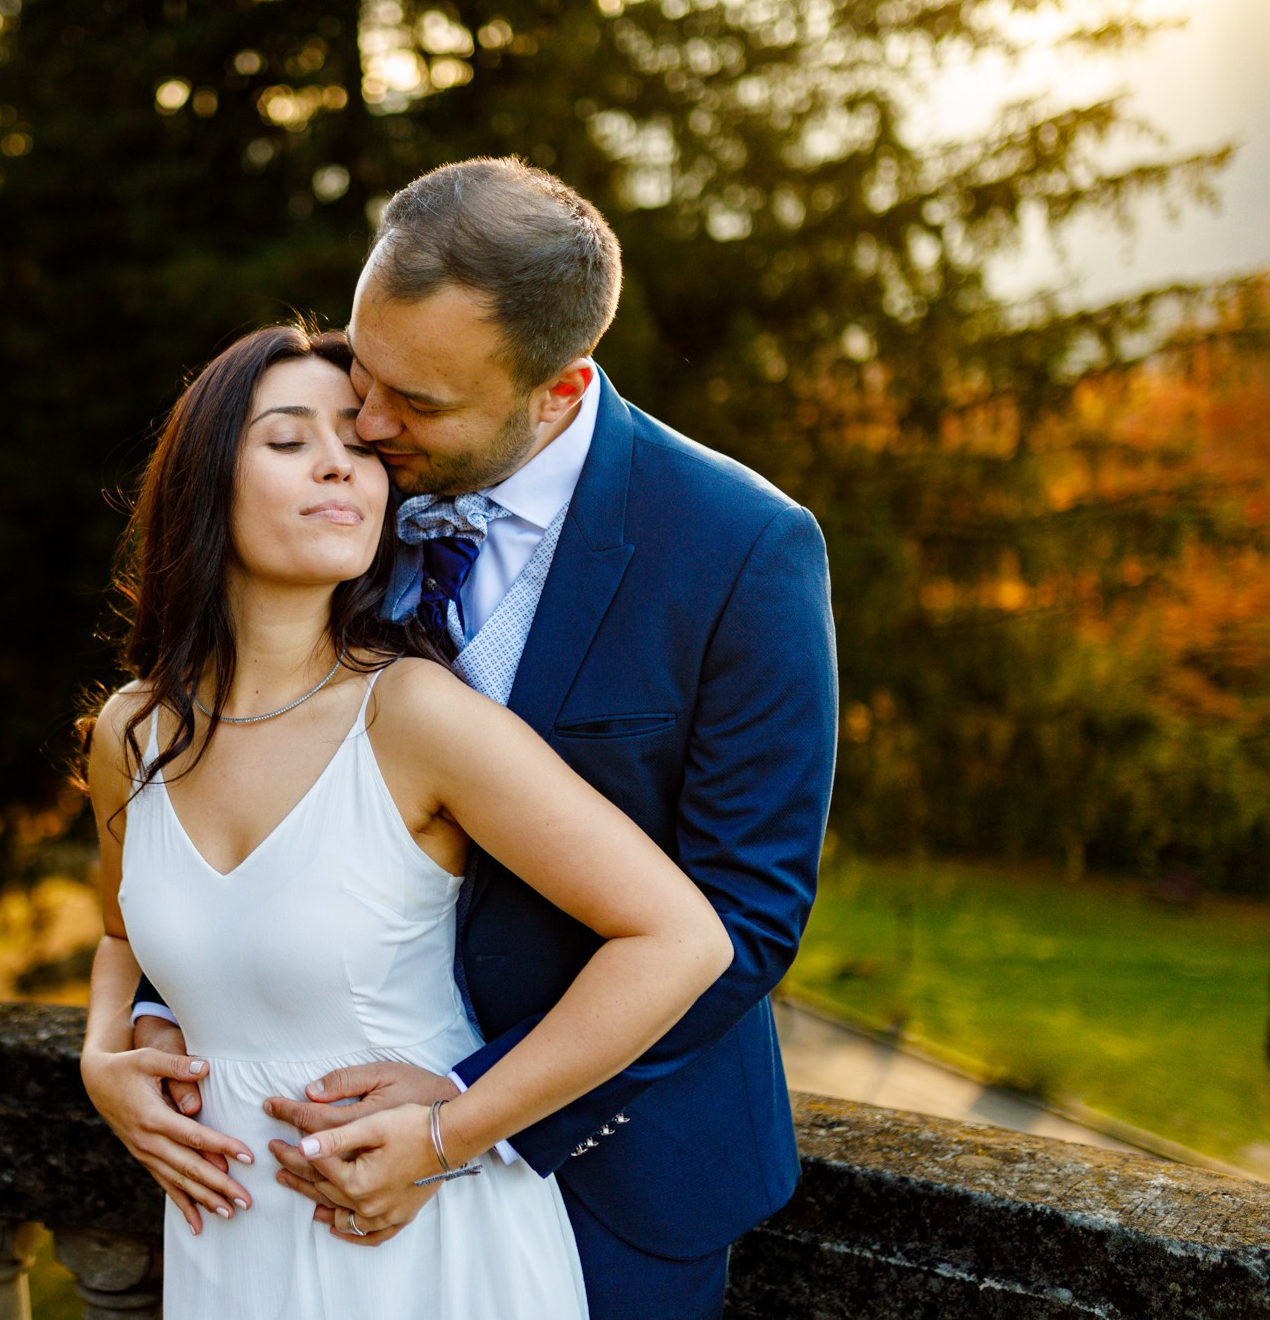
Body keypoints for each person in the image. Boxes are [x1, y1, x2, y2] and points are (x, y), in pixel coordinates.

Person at [105, 158, 840, 1319]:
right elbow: (235, 796)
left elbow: (741, 919)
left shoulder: (738, 550)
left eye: (419, 405)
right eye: (363, 370)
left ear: (555, 388)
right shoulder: (350, 495)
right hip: (292, 1178)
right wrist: (134, 1030)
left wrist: (459, 1111)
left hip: (620, 1172)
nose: (369, 425)